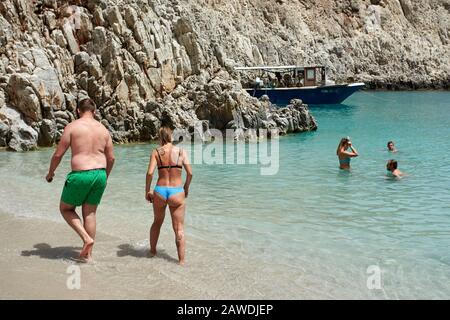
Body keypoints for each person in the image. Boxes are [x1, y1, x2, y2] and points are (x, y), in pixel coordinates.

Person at [46, 98, 115, 262]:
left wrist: (50, 173)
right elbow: (111, 158)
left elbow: (58, 154)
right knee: (90, 213)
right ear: (95, 111)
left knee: (66, 209)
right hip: (100, 174)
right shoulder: (103, 130)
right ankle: (88, 257)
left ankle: (86, 239)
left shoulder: (73, 127)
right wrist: (105, 176)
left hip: (80, 174)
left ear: (78, 110)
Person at [145, 127, 193, 265]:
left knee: (157, 222)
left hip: (160, 191)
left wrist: (147, 191)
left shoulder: (156, 152)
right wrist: (186, 188)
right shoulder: (181, 151)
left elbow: (149, 173)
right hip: (177, 192)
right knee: (179, 228)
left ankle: (152, 252)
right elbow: (190, 173)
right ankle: (181, 262)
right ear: (171, 137)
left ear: (160, 138)